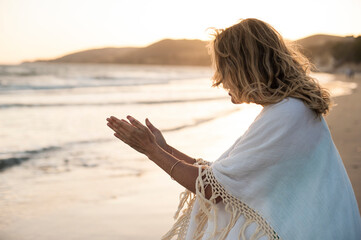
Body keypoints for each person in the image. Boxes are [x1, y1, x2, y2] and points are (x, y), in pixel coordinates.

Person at [106, 18, 361, 240]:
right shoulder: (287, 109)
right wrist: (164, 148)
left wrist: (151, 150)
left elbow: (213, 189)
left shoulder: (287, 114)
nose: (219, 81)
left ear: (243, 68)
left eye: (222, 70)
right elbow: (223, 175)